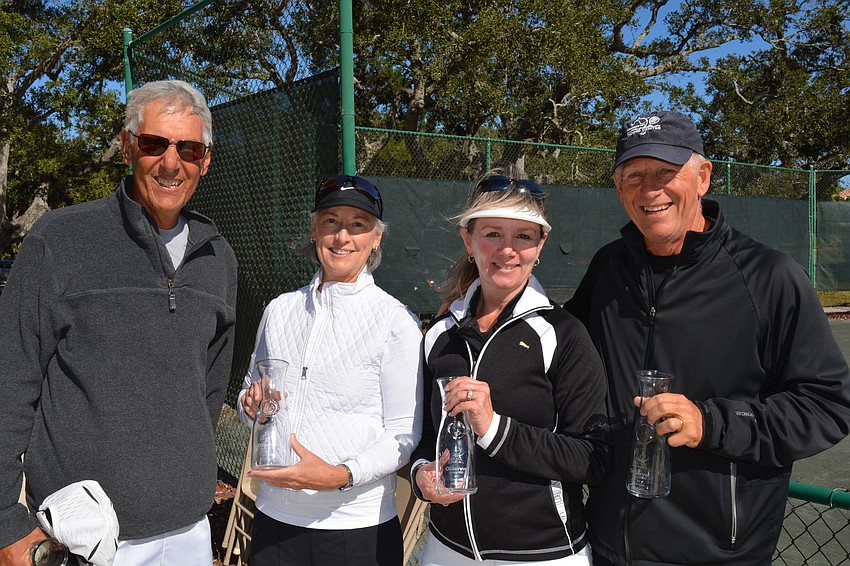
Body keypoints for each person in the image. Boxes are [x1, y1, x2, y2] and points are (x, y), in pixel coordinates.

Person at [564, 110, 850, 566]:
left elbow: (827, 404)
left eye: (666, 172)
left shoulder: (769, 277)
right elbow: (558, 348)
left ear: (703, 177)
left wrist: (710, 423)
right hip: (605, 545)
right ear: (618, 190)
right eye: (634, 175)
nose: (650, 189)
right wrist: (478, 302)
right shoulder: (609, 267)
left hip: (717, 552)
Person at [0, 79, 238, 564]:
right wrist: (6, 520)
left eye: (189, 149)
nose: (171, 163)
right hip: (80, 538)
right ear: (129, 146)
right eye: (155, 144)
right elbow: (9, 383)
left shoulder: (218, 259)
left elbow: (208, 391)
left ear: (206, 160)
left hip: (189, 531)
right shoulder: (60, 241)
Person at [410, 175, 610, 565]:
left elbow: (593, 458)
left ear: (540, 246)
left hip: (544, 554)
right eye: (492, 233)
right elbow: (424, 436)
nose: (507, 250)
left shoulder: (563, 334)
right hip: (445, 549)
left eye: (523, 236)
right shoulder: (439, 334)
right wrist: (421, 476)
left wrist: (493, 427)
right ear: (468, 241)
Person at [237, 175, 424, 565]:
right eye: (331, 221)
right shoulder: (279, 310)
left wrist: (342, 475)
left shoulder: (394, 321)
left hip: (358, 530)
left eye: (358, 224)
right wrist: (251, 405)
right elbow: (249, 395)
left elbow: (404, 434)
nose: (343, 236)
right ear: (314, 230)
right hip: (275, 521)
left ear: (376, 239)